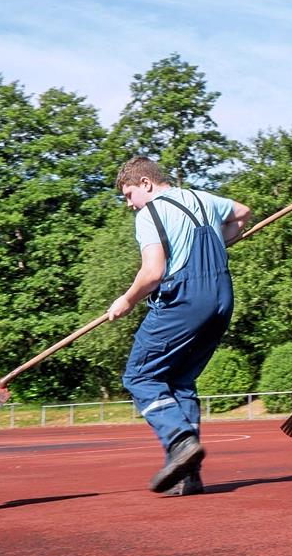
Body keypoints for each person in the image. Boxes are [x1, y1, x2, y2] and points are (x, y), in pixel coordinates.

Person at [108, 156, 252, 495]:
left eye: (129, 195)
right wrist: (223, 241)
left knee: (140, 375)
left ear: (145, 184)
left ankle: (180, 440)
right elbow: (243, 214)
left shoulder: (150, 213)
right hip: (221, 299)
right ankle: (190, 476)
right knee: (180, 380)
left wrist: (127, 300)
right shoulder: (204, 197)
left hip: (185, 300)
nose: (130, 205)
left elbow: (153, 272)